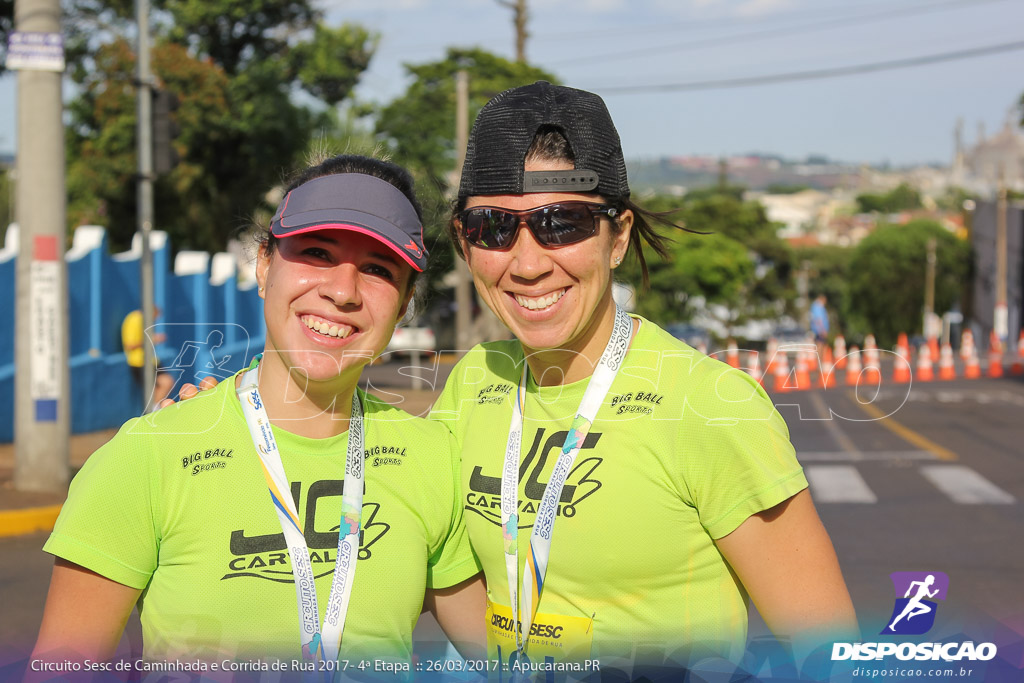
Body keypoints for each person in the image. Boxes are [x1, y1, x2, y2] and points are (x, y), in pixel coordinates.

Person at [431, 81, 858, 676]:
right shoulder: (472, 381)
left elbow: (829, 653)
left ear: (619, 236)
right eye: (493, 228)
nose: (527, 263)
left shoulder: (710, 403)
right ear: (463, 241)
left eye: (562, 224)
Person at [31, 155, 484, 669]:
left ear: (403, 306)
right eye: (316, 253)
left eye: (379, 269)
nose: (342, 291)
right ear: (265, 264)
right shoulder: (149, 454)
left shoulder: (431, 458)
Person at [121, 307, 173, 409]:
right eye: (155, 317)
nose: (154, 320)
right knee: (166, 383)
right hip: (140, 362)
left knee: (162, 385)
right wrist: (152, 339)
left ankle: (154, 410)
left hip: (150, 361)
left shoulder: (141, 320)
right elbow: (130, 344)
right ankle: (153, 411)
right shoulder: (135, 319)